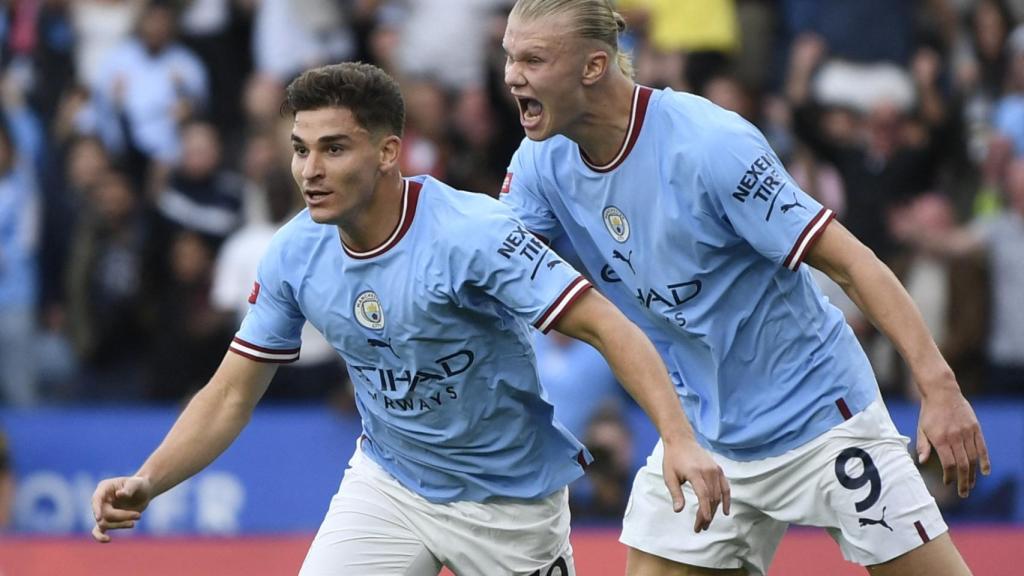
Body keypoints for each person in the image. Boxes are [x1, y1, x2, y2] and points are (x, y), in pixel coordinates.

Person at [90, 62, 729, 575]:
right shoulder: (292, 252)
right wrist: (150, 479)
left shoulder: (474, 233)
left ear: (389, 151)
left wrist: (676, 437)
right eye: (300, 149)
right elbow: (230, 393)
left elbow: (606, 324)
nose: (310, 171)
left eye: (334, 149)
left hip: (507, 501)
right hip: (390, 483)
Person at [499, 1, 990, 575]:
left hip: (819, 415)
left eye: (532, 58)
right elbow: (493, 269)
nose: (511, 74)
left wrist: (939, 386)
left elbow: (853, 264)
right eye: (509, 56)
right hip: (704, 433)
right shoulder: (539, 161)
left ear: (593, 66)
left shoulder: (711, 145)